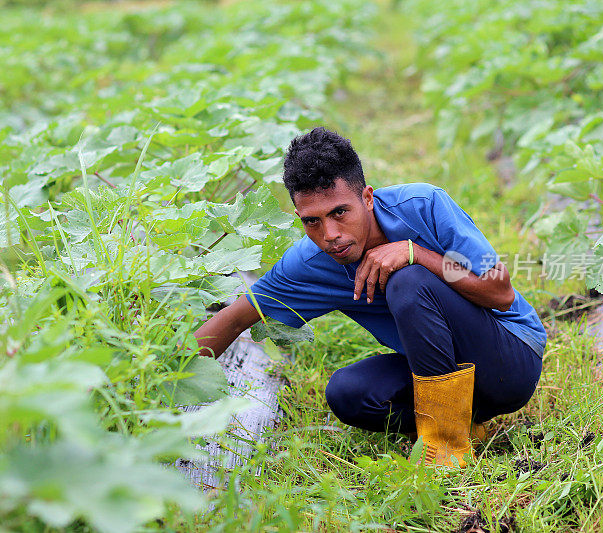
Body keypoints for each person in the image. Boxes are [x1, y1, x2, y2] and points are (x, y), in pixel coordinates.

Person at [193, 127, 546, 467]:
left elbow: (500, 292)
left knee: (407, 280)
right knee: (347, 393)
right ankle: (462, 420)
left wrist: (418, 254)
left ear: (367, 197)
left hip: (510, 360)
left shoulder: (425, 206)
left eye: (339, 213)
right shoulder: (309, 264)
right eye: (311, 221)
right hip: (447, 373)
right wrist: (162, 380)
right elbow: (237, 317)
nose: (330, 234)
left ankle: (444, 448)